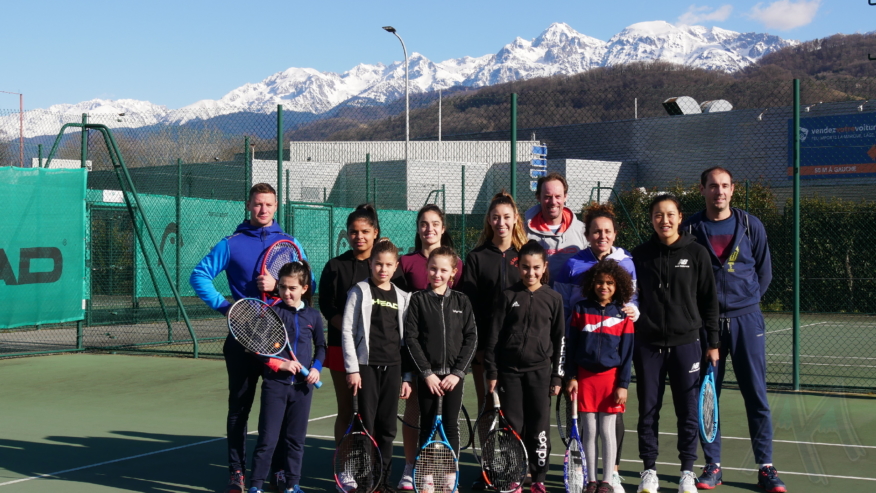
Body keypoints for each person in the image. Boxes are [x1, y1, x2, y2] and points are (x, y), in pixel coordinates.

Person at [190, 183, 311, 493]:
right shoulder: (231, 243)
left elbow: (308, 281)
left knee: (279, 410)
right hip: (243, 339)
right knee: (239, 408)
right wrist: (228, 308)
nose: (263, 210)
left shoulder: (289, 243)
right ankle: (236, 472)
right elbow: (199, 275)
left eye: (269, 204)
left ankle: (280, 471)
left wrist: (275, 283)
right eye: (258, 204)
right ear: (248, 205)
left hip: (279, 342)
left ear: (275, 206)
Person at [683, 167, 785, 493]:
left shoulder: (750, 225)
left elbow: (764, 273)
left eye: (725, 186)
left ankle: (765, 467)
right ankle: (712, 466)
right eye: (713, 186)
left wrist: (744, 303)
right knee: (708, 397)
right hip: (705, 326)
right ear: (702, 189)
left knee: (756, 395)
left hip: (747, 322)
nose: (719, 192)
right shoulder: (690, 228)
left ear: (733, 189)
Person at [632, 194, 719, 493]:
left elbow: (709, 302)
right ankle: (649, 470)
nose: (664, 220)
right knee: (648, 409)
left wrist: (713, 343)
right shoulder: (639, 255)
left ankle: (686, 471)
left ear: (680, 217)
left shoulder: (697, 253)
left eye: (670, 214)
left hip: (687, 345)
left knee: (688, 411)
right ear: (651, 219)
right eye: (658, 214)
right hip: (647, 345)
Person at [553, 203, 639, 490]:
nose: (601, 236)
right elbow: (563, 307)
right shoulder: (573, 264)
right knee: (584, 426)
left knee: (609, 427)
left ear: (614, 234)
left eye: (607, 231)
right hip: (582, 369)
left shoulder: (626, 261)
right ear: (587, 234)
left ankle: (609, 474)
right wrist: (569, 371)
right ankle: (585, 473)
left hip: (611, 375)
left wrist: (633, 311)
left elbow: (632, 301)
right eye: (596, 231)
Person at [459, 191, 527, 491]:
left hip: (518, 349)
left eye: (507, 217)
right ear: (489, 220)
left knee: (514, 410)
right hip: (485, 350)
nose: (501, 222)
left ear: (515, 220)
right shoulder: (476, 257)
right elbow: (469, 306)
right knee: (488, 406)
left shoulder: (526, 256)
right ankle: (488, 468)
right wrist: (479, 347)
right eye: (496, 217)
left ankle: (515, 468)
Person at [485, 240, 564, 493]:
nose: (531, 273)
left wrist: (557, 376)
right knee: (512, 427)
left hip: (540, 373)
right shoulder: (508, 296)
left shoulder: (553, 298)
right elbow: (494, 337)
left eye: (536, 268)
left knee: (539, 427)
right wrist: (493, 371)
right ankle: (514, 476)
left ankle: (538, 478)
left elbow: (560, 339)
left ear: (545, 267)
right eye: (526, 267)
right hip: (510, 373)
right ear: (518, 267)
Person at [320, 204, 401, 448]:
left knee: (374, 414)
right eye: (354, 232)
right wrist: (350, 331)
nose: (359, 237)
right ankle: (345, 465)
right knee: (346, 409)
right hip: (341, 348)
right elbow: (327, 306)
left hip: (378, 354)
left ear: (375, 232)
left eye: (365, 231)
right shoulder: (335, 266)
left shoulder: (386, 268)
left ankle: (371, 464)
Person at [396, 204, 463, 490]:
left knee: (447, 421)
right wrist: (418, 369)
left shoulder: (453, 266)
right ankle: (412, 467)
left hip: (446, 362)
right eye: (423, 223)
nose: (429, 228)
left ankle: (447, 475)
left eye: (435, 223)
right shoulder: (406, 262)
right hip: (416, 356)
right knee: (415, 413)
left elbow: (460, 317)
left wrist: (457, 368)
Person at [405, 246, 478, 493]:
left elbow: (472, 338)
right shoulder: (417, 300)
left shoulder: (462, 301)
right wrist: (427, 373)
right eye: (433, 268)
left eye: (443, 270)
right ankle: (425, 477)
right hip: (429, 379)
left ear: (453, 273)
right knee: (426, 426)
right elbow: (412, 339)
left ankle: (449, 479)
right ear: (426, 270)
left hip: (453, 380)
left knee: (451, 427)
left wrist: (458, 373)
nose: (438, 274)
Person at [341, 239, 411, 493]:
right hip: (366, 368)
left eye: (388, 265)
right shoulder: (359, 291)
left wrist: (407, 376)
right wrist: (352, 369)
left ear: (396, 267)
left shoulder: (403, 297)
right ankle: (364, 481)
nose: (383, 269)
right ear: (370, 264)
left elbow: (407, 342)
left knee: (387, 428)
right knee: (366, 427)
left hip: (392, 369)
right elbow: (347, 330)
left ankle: (383, 481)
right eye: (378, 264)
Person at [248, 261, 325, 493]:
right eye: (282, 287)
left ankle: (293, 484)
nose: (286, 292)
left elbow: (321, 346)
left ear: (304, 288)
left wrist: (316, 368)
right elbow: (258, 349)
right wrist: (280, 364)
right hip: (275, 386)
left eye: (292, 288)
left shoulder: (314, 315)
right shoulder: (272, 313)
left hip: (302, 389)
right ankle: (256, 486)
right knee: (268, 440)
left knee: (296, 440)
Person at [564, 259, 635, 493]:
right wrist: (571, 376)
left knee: (607, 431)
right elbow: (571, 346)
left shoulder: (623, 314)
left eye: (610, 283)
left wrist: (623, 385)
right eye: (600, 282)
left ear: (618, 286)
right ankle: (591, 480)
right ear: (592, 283)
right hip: (584, 379)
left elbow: (627, 355)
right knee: (590, 431)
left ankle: (607, 481)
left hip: (611, 380)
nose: (604, 287)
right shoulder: (580, 309)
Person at [524, 172, 587, 285]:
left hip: (572, 298)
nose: (553, 202)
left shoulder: (582, 230)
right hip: (538, 299)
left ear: (565, 197)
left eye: (558, 196)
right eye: (548, 197)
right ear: (538, 197)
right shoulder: (524, 232)